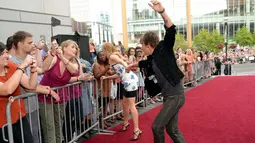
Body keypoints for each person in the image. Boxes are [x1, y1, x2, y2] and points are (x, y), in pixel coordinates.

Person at [127, 0, 186, 143]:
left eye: (142, 45)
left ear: (148, 44)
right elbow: (145, 63)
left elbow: (171, 29)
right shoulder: (152, 58)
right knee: (172, 129)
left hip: (175, 96)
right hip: (169, 97)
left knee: (156, 127)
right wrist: (132, 65)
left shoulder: (164, 48)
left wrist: (162, 12)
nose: (141, 48)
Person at [101, 43, 142, 141]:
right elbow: (119, 74)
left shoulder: (112, 56)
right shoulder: (113, 57)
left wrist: (127, 67)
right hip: (127, 81)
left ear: (106, 49)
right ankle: (126, 122)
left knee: (132, 105)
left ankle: (136, 129)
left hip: (129, 81)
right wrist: (107, 77)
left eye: (103, 50)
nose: (102, 52)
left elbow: (122, 63)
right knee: (124, 103)